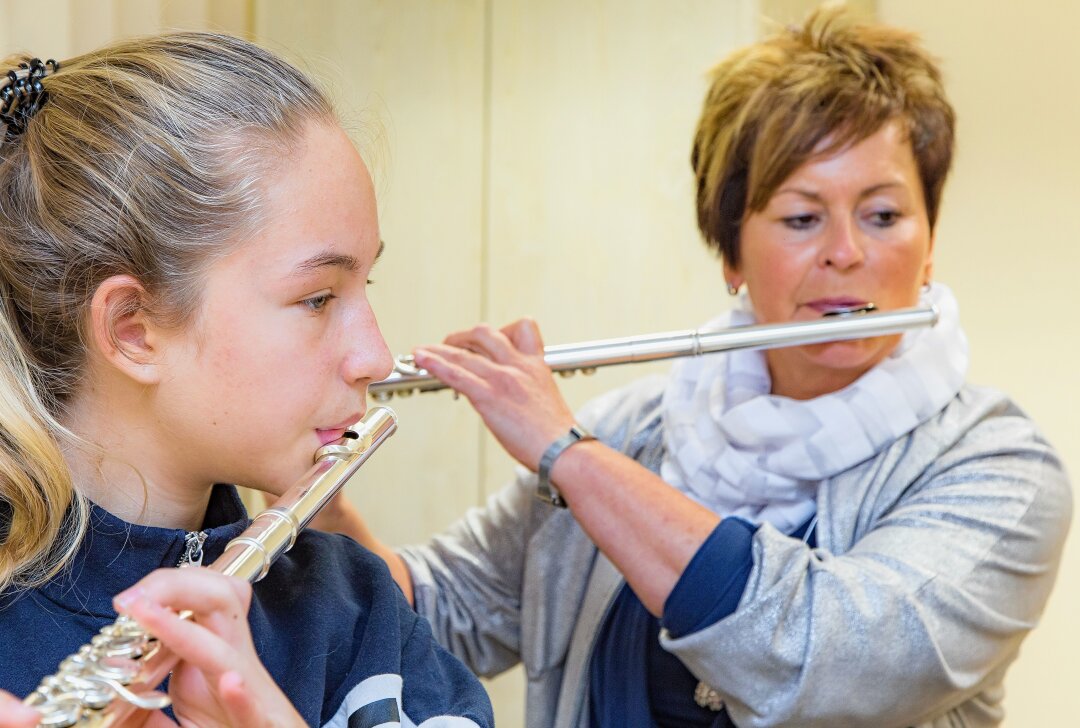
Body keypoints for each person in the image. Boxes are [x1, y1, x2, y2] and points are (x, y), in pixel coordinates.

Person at [317, 7, 1072, 727]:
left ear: (929, 240)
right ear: (730, 255)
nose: (847, 251)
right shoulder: (637, 430)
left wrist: (567, 454)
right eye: (803, 217)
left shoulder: (999, 469)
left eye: (882, 215)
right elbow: (445, 608)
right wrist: (314, 480)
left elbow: (826, 663)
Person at [0, 33, 492, 728]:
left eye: (364, 284)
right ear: (133, 329)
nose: (376, 357)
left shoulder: (357, 617)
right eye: (319, 298)